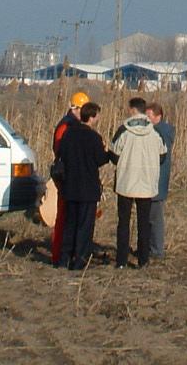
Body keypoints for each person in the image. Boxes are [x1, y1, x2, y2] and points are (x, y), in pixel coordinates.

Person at [111, 96, 166, 269]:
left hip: (126, 183)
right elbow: (162, 156)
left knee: (123, 223)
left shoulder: (123, 130)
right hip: (146, 184)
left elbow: (113, 154)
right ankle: (143, 260)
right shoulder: (155, 132)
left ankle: (121, 261)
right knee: (144, 223)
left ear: (133, 110)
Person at [57, 101, 111, 270]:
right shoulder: (94, 138)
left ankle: (64, 259)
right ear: (93, 117)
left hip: (70, 186)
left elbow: (61, 154)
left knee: (70, 224)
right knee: (84, 226)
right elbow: (101, 160)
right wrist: (107, 151)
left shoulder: (68, 134)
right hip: (88, 188)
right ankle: (79, 260)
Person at [50, 89, 90, 267]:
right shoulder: (66, 126)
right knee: (64, 217)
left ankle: (67, 253)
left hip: (70, 175)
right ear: (76, 108)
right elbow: (60, 151)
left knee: (69, 217)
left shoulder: (69, 124)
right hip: (66, 176)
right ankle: (59, 254)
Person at [145, 101, 175, 260]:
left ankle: (156, 250)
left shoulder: (158, 133)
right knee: (152, 216)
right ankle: (152, 247)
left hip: (157, 181)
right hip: (158, 181)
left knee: (155, 218)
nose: (147, 119)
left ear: (158, 116)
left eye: (149, 116)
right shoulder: (163, 131)